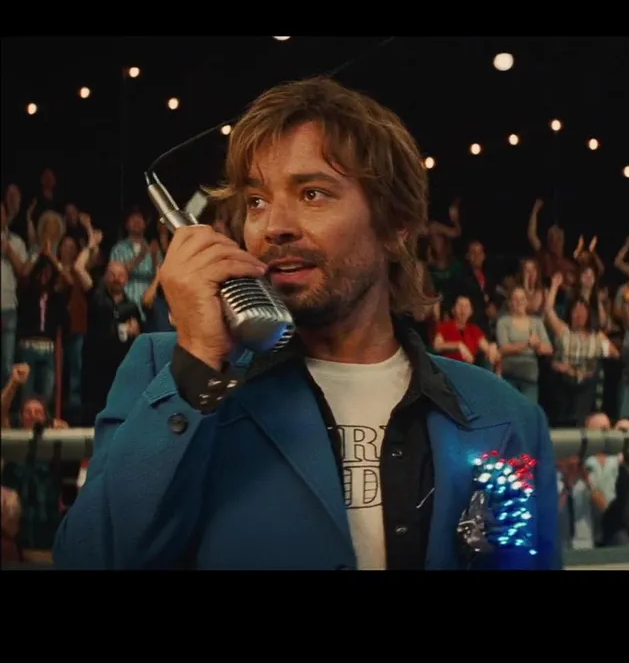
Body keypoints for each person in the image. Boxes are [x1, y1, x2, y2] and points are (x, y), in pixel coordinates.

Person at [54, 77, 559, 570]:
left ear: (396, 226)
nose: (273, 227)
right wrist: (198, 368)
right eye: (256, 201)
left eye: (312, 193)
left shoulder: (507, 417)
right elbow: (87, 556)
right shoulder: (169, 373)